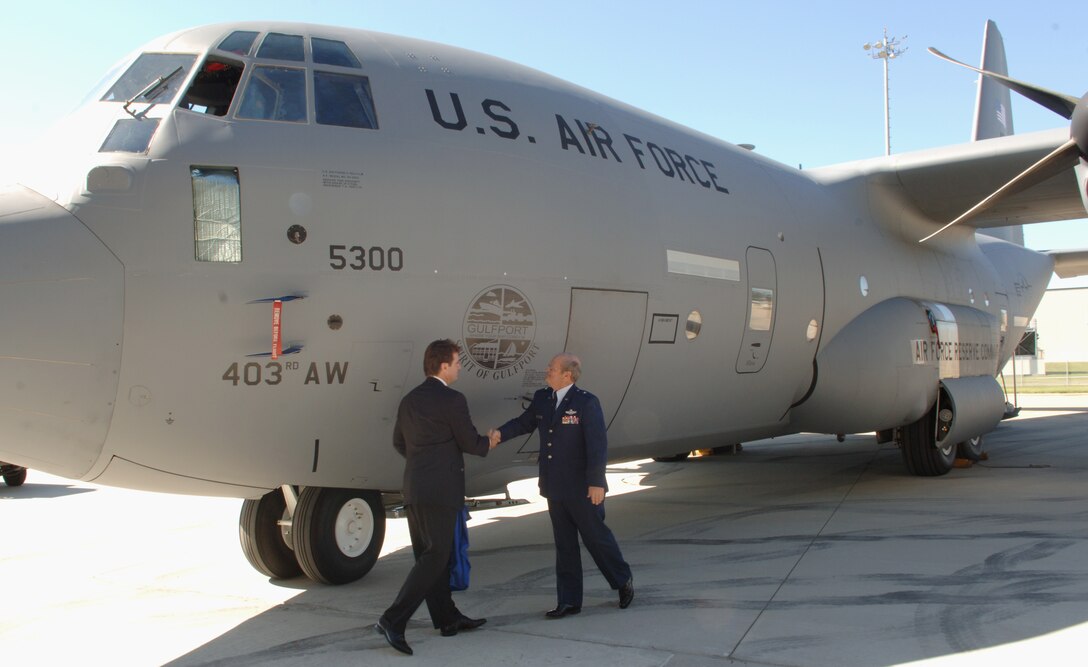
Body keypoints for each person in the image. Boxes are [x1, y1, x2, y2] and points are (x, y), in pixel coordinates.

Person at [376, 339, 497, 655]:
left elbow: (399, 443)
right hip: (442, 490)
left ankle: (447, 618)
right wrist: (490, 441)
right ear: (444, 366)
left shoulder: (409, 401)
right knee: (436, 557)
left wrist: (424, 462)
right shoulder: (453, 400)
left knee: (430, 558)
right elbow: (470, 442)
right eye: (458, 362)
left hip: (415, 488)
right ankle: (392, 620)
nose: (460, 367)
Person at [493, 353, 633, 618]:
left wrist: (596, 483)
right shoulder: (543, 398)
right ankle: (569, 601)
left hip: (582, 488)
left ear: (567, 375)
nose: (547, 371)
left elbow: (597, 445)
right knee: (564, 544)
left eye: (552, 368)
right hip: (554, 485)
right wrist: (499, 434)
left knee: (596, 539)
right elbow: (524, 424)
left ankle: (622, 580)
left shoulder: (586, 402)